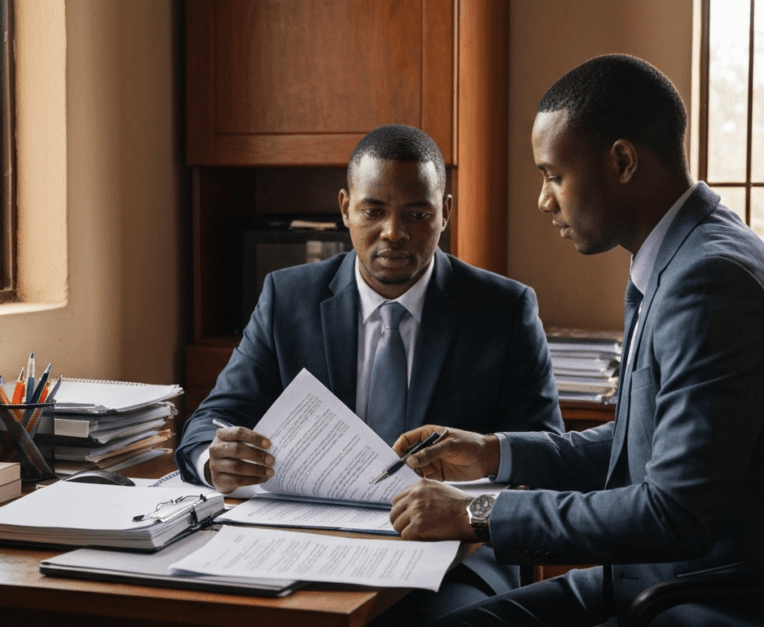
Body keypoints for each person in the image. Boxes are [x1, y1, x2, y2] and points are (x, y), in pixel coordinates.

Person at [387, 55, 764, 626]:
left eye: (554, 175)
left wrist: (478, 511)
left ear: (623, 162)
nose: (543, 199)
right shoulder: (679, 258)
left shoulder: (712, 280)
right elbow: (642, 440)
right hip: (664, 583)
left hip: (729, 604)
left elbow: (672, 512)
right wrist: (493, 453)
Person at [174, 124, 565, 624]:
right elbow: (213, 418)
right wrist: (216, 458)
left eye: (417, 214)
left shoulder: (503, 310)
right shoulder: (286, 298)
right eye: (373, 210)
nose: (393, 232)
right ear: (345, 209)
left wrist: (475, 509)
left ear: (445, 212)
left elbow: (545, 454)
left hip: (453, 558)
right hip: (303, 543)